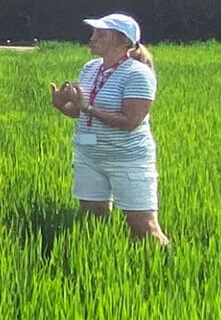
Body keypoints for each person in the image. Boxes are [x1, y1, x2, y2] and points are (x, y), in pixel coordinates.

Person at [49, 13, 169, 247]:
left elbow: (131, 121)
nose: (92, 39)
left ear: (123, 41)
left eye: (101, 34)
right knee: (92, 220)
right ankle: (99, 266)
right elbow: (79, 111)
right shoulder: (91, 68)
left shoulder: (138, 74)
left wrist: (88, 107)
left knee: (144, 228)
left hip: (127, 160)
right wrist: (62, 104)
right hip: (89, 157)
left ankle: (171, 272)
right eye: (94, 33)